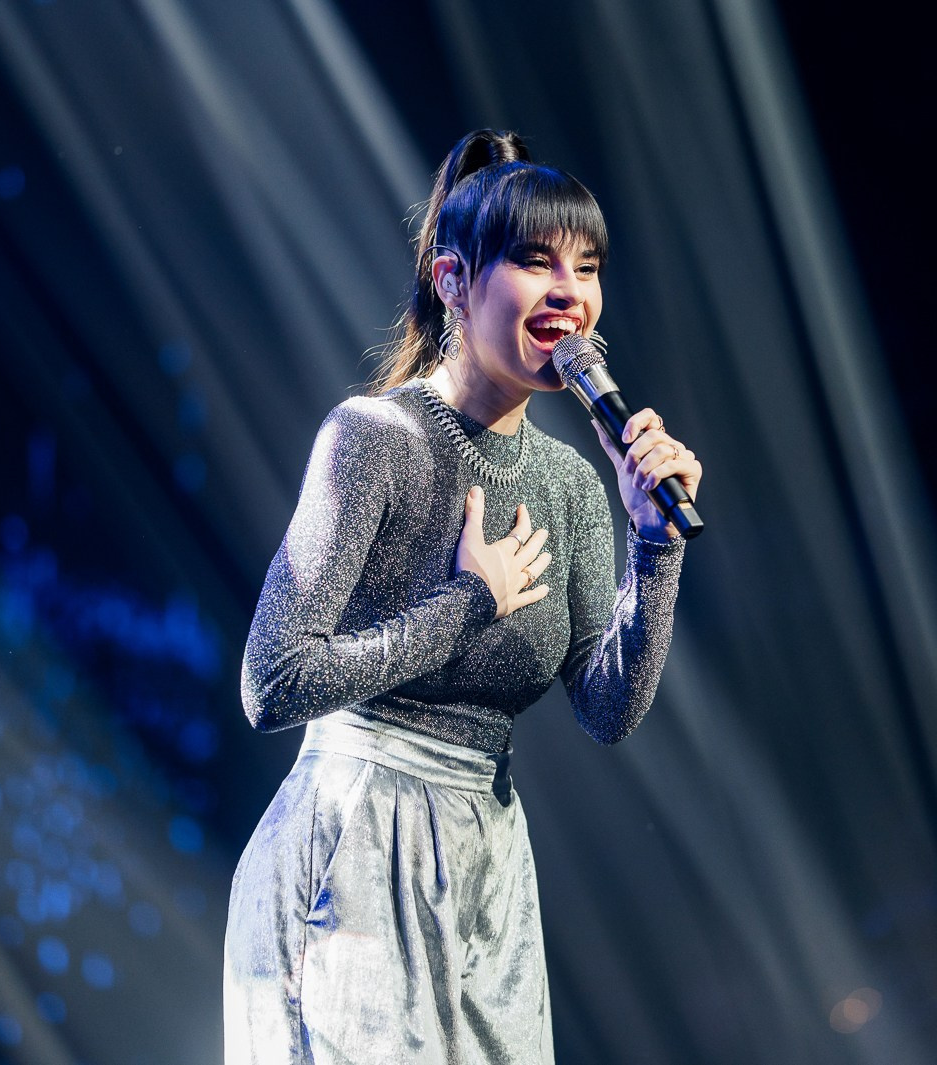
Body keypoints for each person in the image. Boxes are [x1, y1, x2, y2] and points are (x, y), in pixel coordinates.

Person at [223, 129, 702, 1065]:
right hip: (354, 851)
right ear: (452, 280)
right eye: (535, 261)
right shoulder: (375, 438)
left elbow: (608, 709)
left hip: (488, 863)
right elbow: (271, 680)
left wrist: (654, 544)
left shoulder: (569, 484)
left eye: (587, 268)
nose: (570, 291)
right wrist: (465, 602)